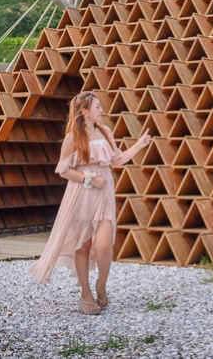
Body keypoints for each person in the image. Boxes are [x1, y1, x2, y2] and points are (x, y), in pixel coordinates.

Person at [27, 91, 151, 314]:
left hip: (104, 195)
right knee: (82, 245)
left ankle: (101, 284)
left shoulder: (105, 131)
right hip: (81, 196)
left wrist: (140, 144)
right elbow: (63, 170)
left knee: (104, 244)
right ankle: (85, 294)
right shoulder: (72, 138)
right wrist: (89, 179)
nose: (101, 110)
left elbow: (117, 160)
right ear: (84, 111)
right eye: (97, 106)